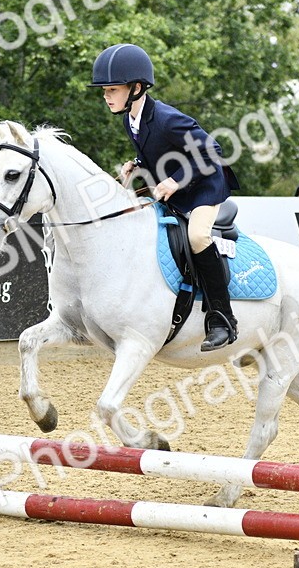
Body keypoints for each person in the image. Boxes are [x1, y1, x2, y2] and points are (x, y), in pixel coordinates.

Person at [89, 43, 240, 351]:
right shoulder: (130, 118)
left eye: (112, 89)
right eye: (105, 90)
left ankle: (223, 320)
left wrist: (175, 180)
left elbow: (213, 152)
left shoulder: (169, 119)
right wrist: (138, 163)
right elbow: (159, 150)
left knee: (197, 237)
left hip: (205, 187)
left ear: (137, 88)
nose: (106, 96)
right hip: (178, 188)